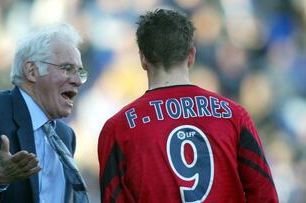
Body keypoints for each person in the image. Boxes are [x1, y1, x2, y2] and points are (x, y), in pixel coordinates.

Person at [98, 9, 279, 203]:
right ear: (191, 55)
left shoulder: (118, 129)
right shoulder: (233, 115)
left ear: (143, 58)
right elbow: (265, 195)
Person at [0, 23, 89, 203]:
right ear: (31, 71)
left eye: (80, 72)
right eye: (67, 69)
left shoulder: (65, 135)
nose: (78, 81)